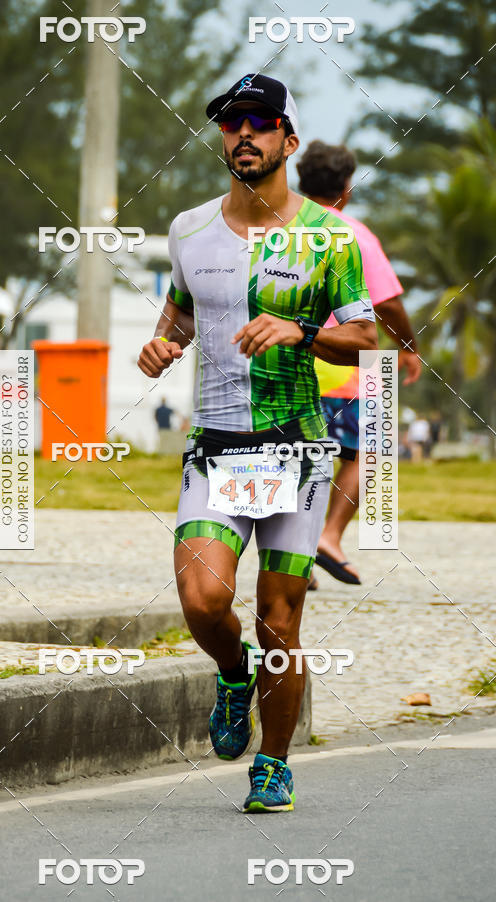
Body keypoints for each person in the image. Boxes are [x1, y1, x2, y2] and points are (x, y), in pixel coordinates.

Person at [138, 74, 377, 813]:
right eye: (231, 122)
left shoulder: (328, 237)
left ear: (288, 140)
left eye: (261, 122)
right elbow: (179, 315)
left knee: (281, 616)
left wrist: (300, 330)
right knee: (203, 599)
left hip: (296, 451)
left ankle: (273, 765)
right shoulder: (188, 229)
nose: (244, 133)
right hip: (217, 447)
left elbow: (365, 338)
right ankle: (232, 673)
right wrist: (159, 345)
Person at [296, 140, 421, 586]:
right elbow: (386, 304)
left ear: (300, 180)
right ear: (346, 188)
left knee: (299, 459)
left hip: (291, 356)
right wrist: (408, 347)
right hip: (351, 359)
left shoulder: (278, 227)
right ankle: (328, 537)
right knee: (371, 451)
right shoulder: (357, 234)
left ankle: (294, 555)